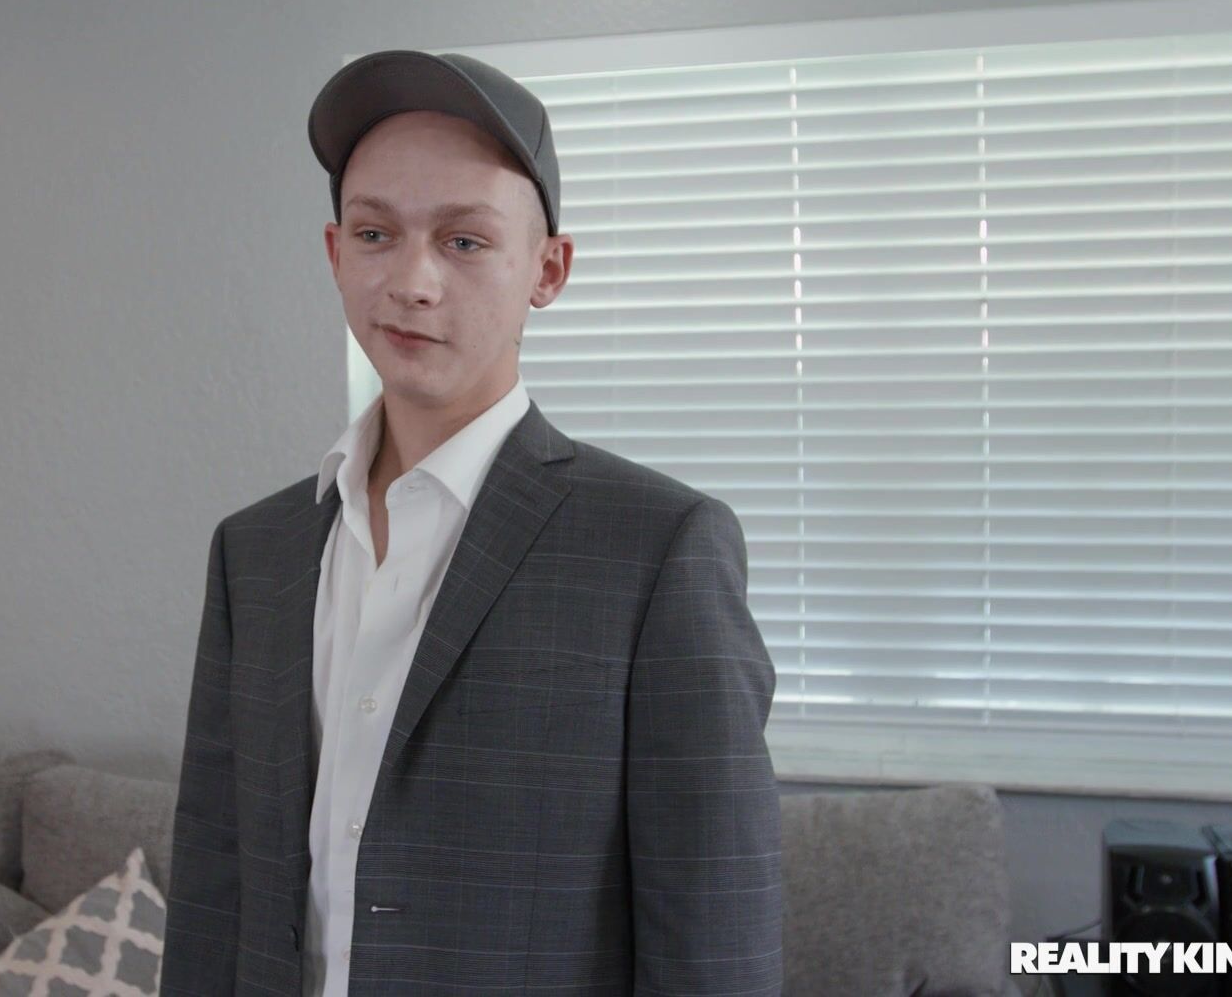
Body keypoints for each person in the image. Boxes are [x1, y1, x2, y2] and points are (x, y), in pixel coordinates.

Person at [160, 49, 782, 996]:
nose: (412, 281)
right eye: (376, 233)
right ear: (335, 253)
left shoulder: (658, 548)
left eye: (464, 241)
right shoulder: (255, 553)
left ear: (548, 269)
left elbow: (715, 937)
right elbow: (215, 889)